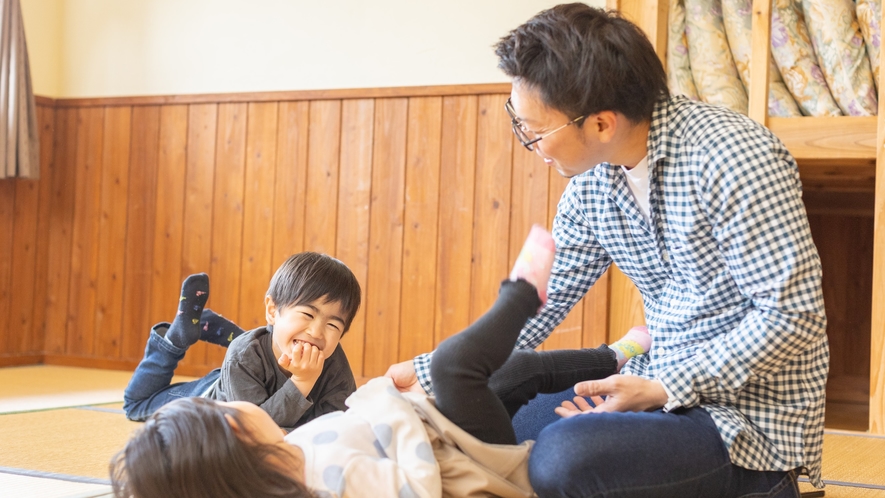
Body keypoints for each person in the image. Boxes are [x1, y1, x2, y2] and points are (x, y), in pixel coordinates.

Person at [385, 4, 829, 497]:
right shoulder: (590, 186)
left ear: (601, 124)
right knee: (482, 398)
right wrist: (434, 370)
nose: (531, 144)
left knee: (562, 456)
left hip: (744, 421)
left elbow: (792, 316)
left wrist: (662, 390)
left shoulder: (732, 157)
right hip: (650, 385)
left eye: (535, 131)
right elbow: (537, 302)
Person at [110, 227, 652, 498]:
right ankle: (521, 295)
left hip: (440, 430)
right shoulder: (312, 463)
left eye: (335, 325)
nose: (321, 335)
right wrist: (307, 385)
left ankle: (618, 353)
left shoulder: (304, 420)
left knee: (517, 371)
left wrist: (382, 391)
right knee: (456, 366)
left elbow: (349, 411)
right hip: (458, 456)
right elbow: (409, 480)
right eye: (307, 317)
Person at [122, 252, 361, 431]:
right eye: (307, 314)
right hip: (210, 399)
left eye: (333, 325)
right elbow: (253, 428)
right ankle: (175, 339)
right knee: (136, 404)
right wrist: (302, 381)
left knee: (249, 351)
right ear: (272, 309)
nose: (317, 332)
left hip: (241, 376)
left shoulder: (334, 361)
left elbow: (338, 424)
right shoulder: (245, 355)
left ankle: (224, 330)